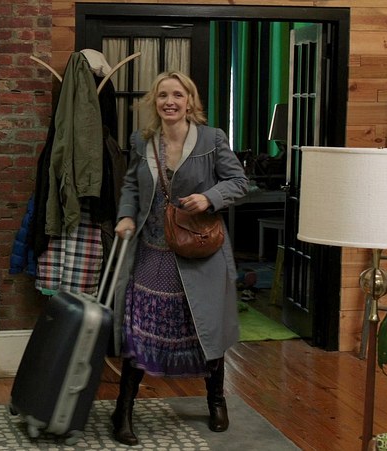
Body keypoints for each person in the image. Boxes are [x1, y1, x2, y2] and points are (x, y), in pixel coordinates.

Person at [111, 71, 248, 445]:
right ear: (154, 102)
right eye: (162, 95)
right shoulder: (142, 141)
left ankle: (216, 400)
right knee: (139, 331)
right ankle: (123, 410)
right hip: (150, 253)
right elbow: (130, 186)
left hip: (199, 253)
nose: (169, 102)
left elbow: (239, 182)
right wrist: (126, 215)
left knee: (205, 329)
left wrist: (210, 198)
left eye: (177, 95)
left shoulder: (212, 139)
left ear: (190, 101)